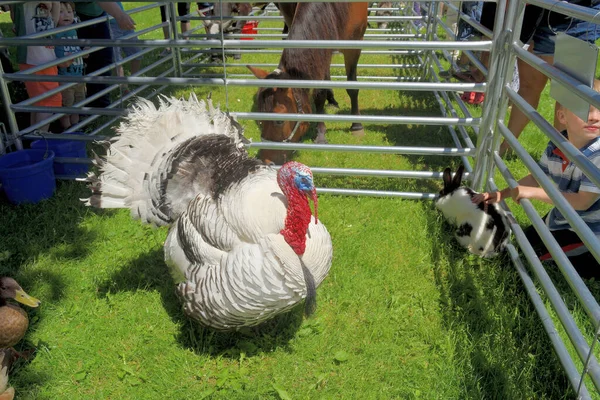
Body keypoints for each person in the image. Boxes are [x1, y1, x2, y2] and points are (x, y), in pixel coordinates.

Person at [473, 79, 600, 279]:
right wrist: (502, 194)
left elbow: (583, 201)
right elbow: (537, 178)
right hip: (563, 220)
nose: (594, 117)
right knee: (523, 241)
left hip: (591, 233)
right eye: (584, 110)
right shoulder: (558, 145)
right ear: (562, 116)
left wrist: (533, 193)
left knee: (536, 259)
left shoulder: (598, 155)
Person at [493, 1, 600, 156]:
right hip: (539, 14)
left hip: (576, 15)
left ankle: (560, 158)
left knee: (567, 97)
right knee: (529, 87)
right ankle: (506, 147)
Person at [11, 2, 62, 133]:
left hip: (43, 56)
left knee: (39, 102)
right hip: (36, 58)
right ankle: (41, 137)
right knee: (49, 100)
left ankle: (35, 138)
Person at [74, 2, 135, 109]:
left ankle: (101, 103)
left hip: (99, 16)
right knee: (82, 62)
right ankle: (79, 107)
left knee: (104, 58)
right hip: (78, 16)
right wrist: (120, 15)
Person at [54, 1, 85, 130]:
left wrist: (84, 52)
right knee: (67, 105)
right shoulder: (55, 32)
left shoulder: (74, 30)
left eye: (69, 12)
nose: (66, 15)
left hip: (78, 76)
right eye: (60, 12)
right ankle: (67, 129)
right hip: (65, 78)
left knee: (78, 104)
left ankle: (76, 127)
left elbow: (75, 48)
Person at [108, 2, 141, 92]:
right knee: (117, 58)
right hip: (110, 24)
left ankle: (135, 77)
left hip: (124, 21)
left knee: (136, 51)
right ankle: (123, 87)